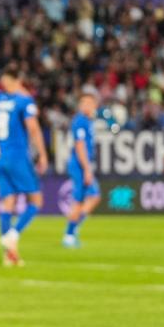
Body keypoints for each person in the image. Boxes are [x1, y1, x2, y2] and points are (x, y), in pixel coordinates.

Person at [0, 64, 49, 266]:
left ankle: (9, 256)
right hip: (17, 156)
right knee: (36, 201)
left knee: (8, 202)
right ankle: (13, 234)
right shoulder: (24, 100)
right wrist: (42, 154)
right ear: (19, 81)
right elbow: (33, 128)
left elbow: (11, 94)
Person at [63, 93, 100, 247]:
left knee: (93, 197)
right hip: (79, 165)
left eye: (89, 103)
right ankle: (70, 234)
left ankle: (73, 228)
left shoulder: (87, 121)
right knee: (79, 201)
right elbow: (79, 146)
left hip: (81, 165)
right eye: (84, 102)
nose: (87, 106)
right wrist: (86, 169)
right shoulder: (80, 121)